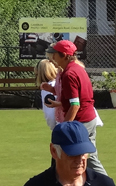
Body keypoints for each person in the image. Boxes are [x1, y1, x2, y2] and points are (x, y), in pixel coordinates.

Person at [46, 40, 107, 175]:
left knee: (79, 156)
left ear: (64, 55)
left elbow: (75, 105)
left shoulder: (69, 74)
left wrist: (65, 127)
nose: (53, 58)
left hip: (81, 121)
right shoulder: (77, 69)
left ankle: (106, 185)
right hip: (88, 118)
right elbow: (76, 99)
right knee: (89, 157)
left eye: (55, 54)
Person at [35, 58, 58, 130]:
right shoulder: (59, 83)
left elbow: (50, 114)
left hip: (60, 126)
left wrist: (54, 128)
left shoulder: (46, 88)